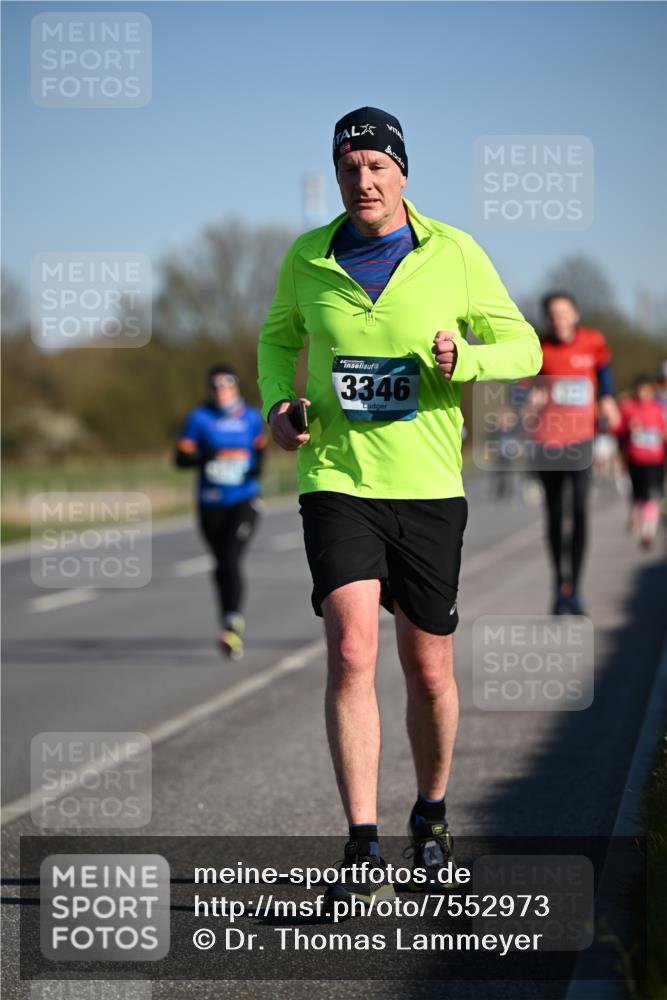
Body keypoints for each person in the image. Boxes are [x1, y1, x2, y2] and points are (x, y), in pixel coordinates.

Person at [258, 106, 542, 908]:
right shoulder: (307, 256)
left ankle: (431, 815)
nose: (362, 181)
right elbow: (277, 338)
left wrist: (466, 359)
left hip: (427, 487)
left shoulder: (453, 252)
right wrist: (278, 403)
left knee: (428, 668)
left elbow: (524, 347)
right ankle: (361, 843)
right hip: (336, 478)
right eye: (349, 168)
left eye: (376, 166)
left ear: (402, 172)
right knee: (351, 651)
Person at [527, 292, 619, 615]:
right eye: (553, 314)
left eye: (564, 313)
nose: (559, 320)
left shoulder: (593, 341)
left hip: (581, 437)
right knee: (554, 514)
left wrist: (608, 399)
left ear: (575, 314)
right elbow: (525, 388)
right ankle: (558, 584)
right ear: (547, 319)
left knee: (579, 509)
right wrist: (531, 400)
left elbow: (605, 374)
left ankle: (575, 589)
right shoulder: (539, 347)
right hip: (548, 440)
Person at [175, 364, 267, 659]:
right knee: (220, 564)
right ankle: (228, 617)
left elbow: (260, 452)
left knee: (230, 558)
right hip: (210, 502)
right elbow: (181, 459)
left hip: (243, 500)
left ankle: (231, 623)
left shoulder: (251, 417)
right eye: (215, 387)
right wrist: (209, 456)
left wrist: (252, 469)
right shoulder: (199, 418)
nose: (221, 392)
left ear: (235, 386)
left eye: (226, 385)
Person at [615, 374, 666, 548]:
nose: (644, 394)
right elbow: (618, 429)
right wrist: (628, 428)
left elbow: (664, 429)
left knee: (653, 495)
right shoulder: (628, 409)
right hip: (635, 459)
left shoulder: (658, 408)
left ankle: (648, 531)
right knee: (639, 494)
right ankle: (636, 517)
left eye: (647, 391)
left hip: (656, 459)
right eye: (640, 391)